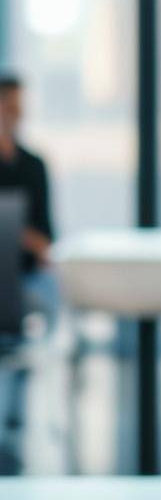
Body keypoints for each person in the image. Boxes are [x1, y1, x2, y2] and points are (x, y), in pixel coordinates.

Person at [0, 73, 59, 335]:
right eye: (10, 106)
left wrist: (18, 235)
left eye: (19, 107)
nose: (16, 114)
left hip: (27, 275)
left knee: (50, 295)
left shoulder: (34, 166)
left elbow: (46, 239)